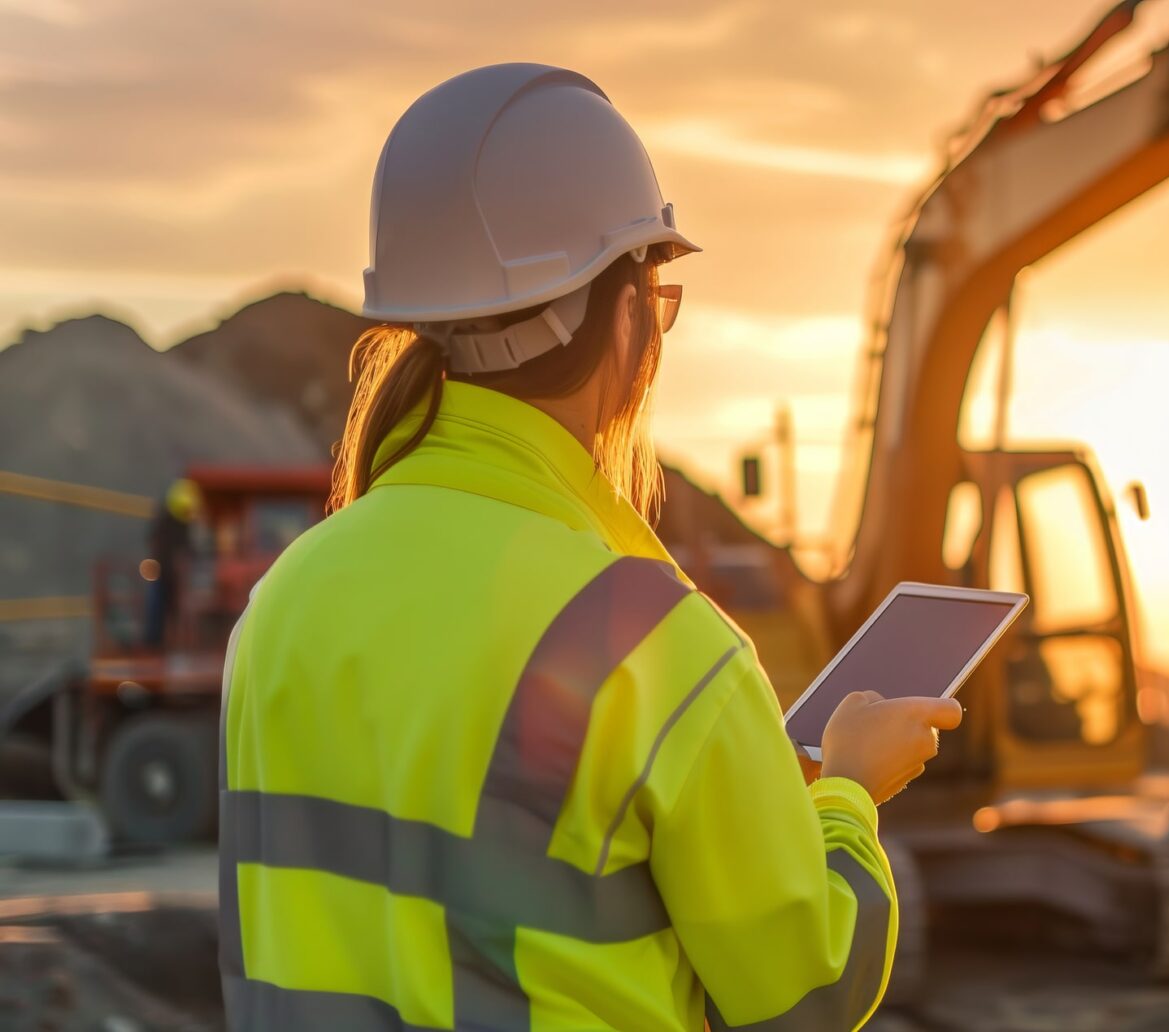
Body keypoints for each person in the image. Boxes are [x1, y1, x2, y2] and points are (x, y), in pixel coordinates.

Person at [219, 64, 960, 1031]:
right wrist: (850, 794)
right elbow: (807, 993)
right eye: (657, 296)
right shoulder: (652, 645)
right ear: (625, 317)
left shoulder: (283, 603)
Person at [143, 476, 200, 650]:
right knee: (157, 606)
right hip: (162, 572)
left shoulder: (180, 522)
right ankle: (153, 643)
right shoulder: (165, 521)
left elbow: (187, 546)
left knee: (169, 607)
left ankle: (166, 642)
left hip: (172, 574)